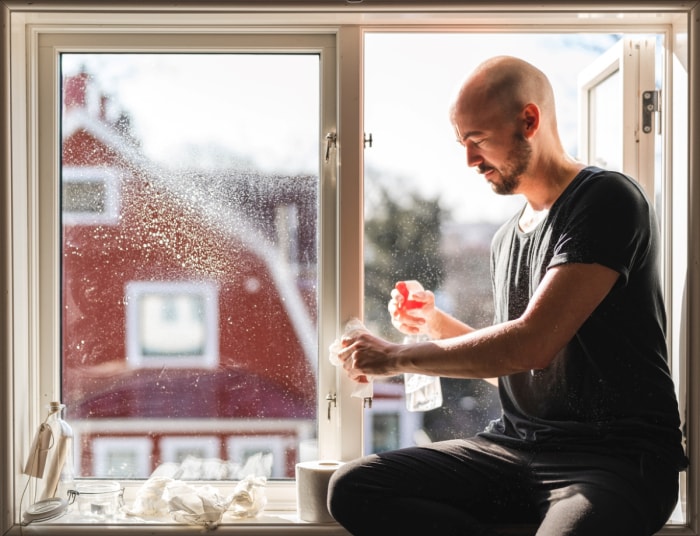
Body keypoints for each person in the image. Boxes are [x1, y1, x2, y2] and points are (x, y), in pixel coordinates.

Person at [327, 56, 687, 536]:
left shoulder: (606, 200)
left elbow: (531, 343)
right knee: (354, 487)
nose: (470, 161)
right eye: (462, 144)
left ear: (529, 121)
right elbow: (521, 370)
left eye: (476, 141)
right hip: (516, 451)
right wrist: (435, 323)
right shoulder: (506, 239)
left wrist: (395, 358)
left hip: (615, 461)